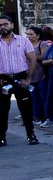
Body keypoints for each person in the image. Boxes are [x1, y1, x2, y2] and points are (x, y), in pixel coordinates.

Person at [0, 14, 38, 146]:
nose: (3, 27)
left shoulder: (23, 41)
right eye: (0, 25)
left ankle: (31, 135)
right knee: (2, 111)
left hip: (21, 78)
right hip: (3, 80)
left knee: (26, 109)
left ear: (12, 25)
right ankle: (2, 137)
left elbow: (33, 59)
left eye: (5, 24)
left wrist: (28, 79)